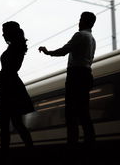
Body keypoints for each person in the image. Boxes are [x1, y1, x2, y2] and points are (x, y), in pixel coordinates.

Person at [39, 12, 96, 147]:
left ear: (85, 22)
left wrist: (48, 52)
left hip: (76, 76)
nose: (79, 22)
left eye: (81, 19)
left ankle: (72, 145)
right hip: (87, 74)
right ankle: (90, 142)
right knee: (84, 113)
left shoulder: (80, 35)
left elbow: (64, 51)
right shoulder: (92, 39)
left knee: (71, 114)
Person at [0, 21, 34, 156]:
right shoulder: (18, 47)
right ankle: (30, 151)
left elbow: (11, 68)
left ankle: (6, 154)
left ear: (10, 33)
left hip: (9, 87)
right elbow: (9, 68)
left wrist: (0, 75)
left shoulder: (15, 48)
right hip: (11, 85)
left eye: (4, 33)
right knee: (15, 123)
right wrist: (0, 77)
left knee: (6, 124)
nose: (3, 35)